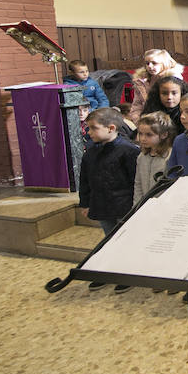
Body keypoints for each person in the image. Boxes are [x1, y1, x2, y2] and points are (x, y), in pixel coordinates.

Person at [78, 107, 140, 293]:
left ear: (111, 128)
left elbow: (134, 181)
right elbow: (85, 180)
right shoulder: (90, 152)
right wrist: (85, 202)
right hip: (102, 203)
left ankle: (127, 274)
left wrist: (135, 205)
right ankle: (109, 271)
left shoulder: (128, 150)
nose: (89, 132)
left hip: (123, 205)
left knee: (125, 241)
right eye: (88, 128)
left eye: (93, 128)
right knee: (108, 240)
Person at [132, 111, 175, 205]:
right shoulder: (142, 156)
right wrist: (136, 208)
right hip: (143, 206)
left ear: (164, 135)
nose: (142, 138)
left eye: (149, 135)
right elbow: (138, 185)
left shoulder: (170, 156)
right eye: (140, 134)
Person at [129, 49, 183, 122]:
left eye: (154, 63)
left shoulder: (173, 79)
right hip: (146, 119)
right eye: (147, 63)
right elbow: (137, 105)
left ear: (164, 63)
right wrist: (138, 120)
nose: (150, 66)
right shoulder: (141, 81)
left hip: (170, 119)